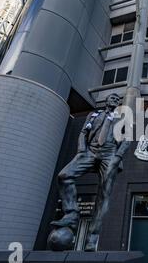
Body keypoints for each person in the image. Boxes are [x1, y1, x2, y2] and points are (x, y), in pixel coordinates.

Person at [51, 93, 130, 251]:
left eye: (117, 99)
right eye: (112, 98)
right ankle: (71, 214)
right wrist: (81, 150)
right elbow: (83, 133)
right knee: (64, 176)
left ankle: (92, 238)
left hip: (110, 154)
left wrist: (118, 157)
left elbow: (127, 139)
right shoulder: (94, 115)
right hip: (90, 152)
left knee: (104, 195)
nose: (115, 100)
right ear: (106, 100)